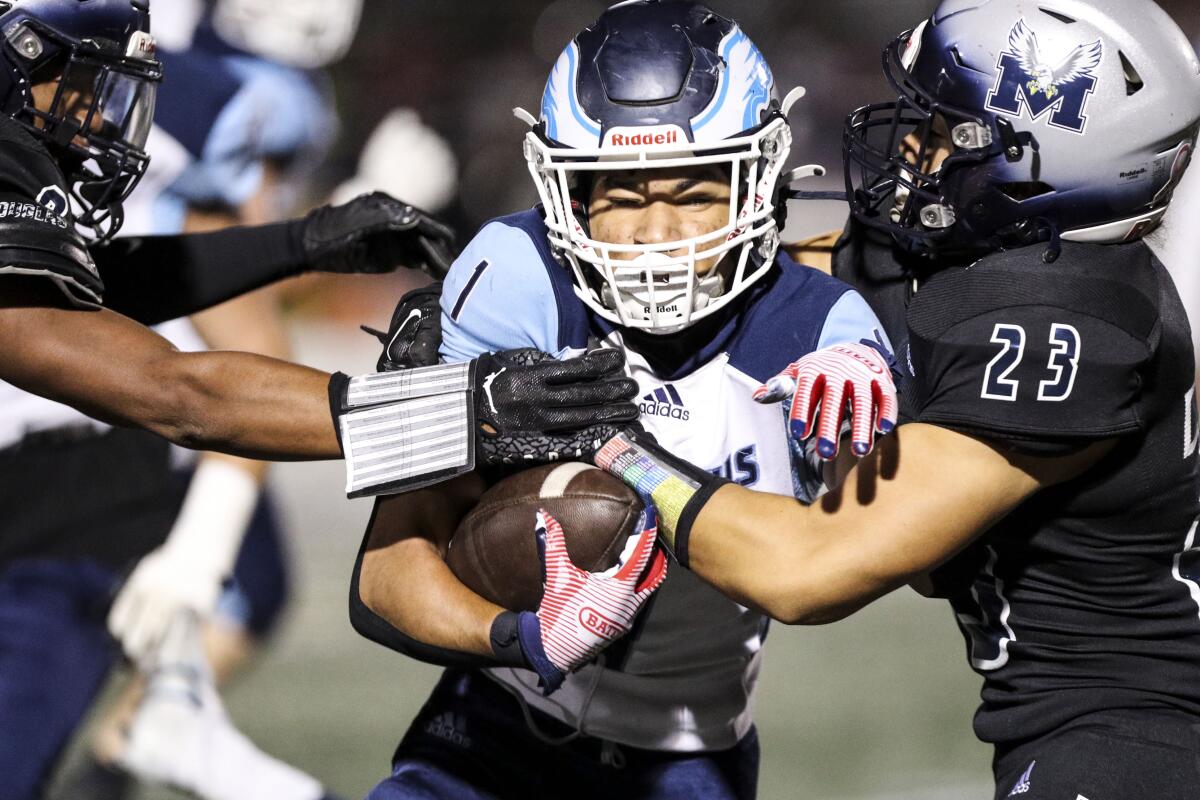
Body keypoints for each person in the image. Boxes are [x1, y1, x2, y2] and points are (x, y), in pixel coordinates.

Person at [587, 2, 1200, 797]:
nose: (910, 143)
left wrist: (609, 443)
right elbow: (761, 279)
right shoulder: (968, 268)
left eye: (945, 129)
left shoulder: (1073, 322)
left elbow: (807, 569)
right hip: (1070, 723)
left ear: (1041, 157)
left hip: (1141, 732)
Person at [349, 4, 896, 799]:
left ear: (761, 180)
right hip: (493, 725)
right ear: (562, 192)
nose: (657, 234)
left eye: (698, 192)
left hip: (687, 752)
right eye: (620, 195)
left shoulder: (822, 331)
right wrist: (522, 638)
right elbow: (384, 577)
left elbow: (863, 558)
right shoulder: (512, 274)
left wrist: (873, 430)